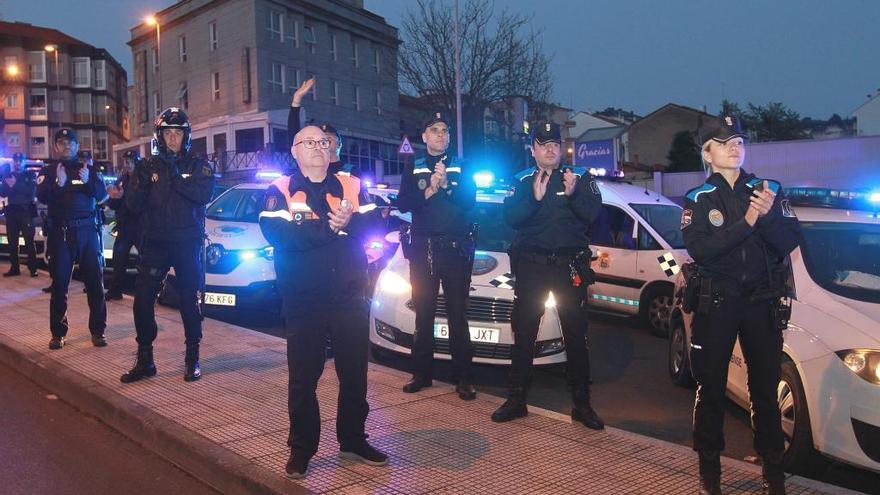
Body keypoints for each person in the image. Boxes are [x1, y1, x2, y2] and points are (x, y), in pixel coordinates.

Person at [259, 125, 388, 479]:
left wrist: (352, 221)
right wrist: (331, 228)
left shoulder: (351, 185)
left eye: (324, 142)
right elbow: (280, 235)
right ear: (295, 151)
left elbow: (376, 220)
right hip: (304, 299)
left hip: (348, 295)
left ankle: (353, 440)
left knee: (354, 375)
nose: (319, 147)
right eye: (310, 143)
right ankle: (302, 449)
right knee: (304, 378)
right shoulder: (280, 189)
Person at [682, 115, 800, 495]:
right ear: (708, 152)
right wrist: (748, 221)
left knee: (765, 388)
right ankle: (710, 472)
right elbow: (701, 250)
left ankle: (773, 471)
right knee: (711, 387)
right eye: (723, 141)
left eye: (738, 140)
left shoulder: (767, 189)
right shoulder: (698, 199)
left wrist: (764, 218)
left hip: (760, 302)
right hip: (717, 302)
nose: (734, 147)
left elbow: (788, 242)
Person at [492, 122, 604, 431]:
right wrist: (534, 198)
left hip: (569, 268)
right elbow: (510, 218)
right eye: (543, 144)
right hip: (533, 267)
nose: (550, 149)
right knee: (524, 334)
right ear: (533, 150)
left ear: (562, 147)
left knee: (576, 338)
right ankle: (516, 400)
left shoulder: (579, 178)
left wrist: (572, 195)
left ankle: (582, 405)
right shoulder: (522, 180)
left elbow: (594, 216)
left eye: (554, 143)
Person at [120, 108, 214, 383]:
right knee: (142, 301)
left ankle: (192, 358)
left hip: (186, 243)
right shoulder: (147, 166)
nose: (173, 139)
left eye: (178, 133)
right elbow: (133, 205)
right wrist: (141, 183)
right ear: (160, 136)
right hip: (156, 243)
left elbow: (203, 194)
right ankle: (146, 359)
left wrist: (173, 175)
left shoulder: (198, 164)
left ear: (186, 136)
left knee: (189, 302)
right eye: (168, 134)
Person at [395, 111, 477, 400]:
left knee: (458, 315)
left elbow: (470, 201)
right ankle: (421, 375)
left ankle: (463, 380)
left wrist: (447, 186)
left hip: (455, 250)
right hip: (423, 250)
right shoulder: (413, 165)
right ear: (424, 136)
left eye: (445, 130)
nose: (441, 134)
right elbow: (403, 202)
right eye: (435, 129)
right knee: (424, 315)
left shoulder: (461, 165)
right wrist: (429, 190)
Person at [35, 129, 108, 350]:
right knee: (60, 286)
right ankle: (58, 334)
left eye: (71, 143)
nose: (67, 146)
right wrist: (58, 183)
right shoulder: (48, 171)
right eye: (62, 143)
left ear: (77, 146)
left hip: (87, 232)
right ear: (56, 146)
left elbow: (102, 195)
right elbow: (41, 196)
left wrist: (88, 183)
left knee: (95, 284)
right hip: (62, 234)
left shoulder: (88, 169)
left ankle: (98, 331)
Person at [287, 77, 360, 177]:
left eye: (328, 139)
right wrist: (296, 100)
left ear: (339, 144)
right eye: (320, 140)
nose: (323, 143)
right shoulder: (310, 168)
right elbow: (295, 137)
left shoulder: (350, 171)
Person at [104, 150, 143, 300]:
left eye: (129, 161)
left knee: (146, 260)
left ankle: (146, 291)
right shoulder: (122, 179)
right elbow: (114, 204)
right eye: (125, 161)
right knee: (119, 258)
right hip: (125, 225)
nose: (126, 165)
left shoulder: (143, 178)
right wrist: (114, 198)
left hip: (140, 226)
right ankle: (116, 289)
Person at [0, 152, 39, 277]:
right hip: (12, 212)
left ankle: (33, 269)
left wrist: (15, 185)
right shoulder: (9, 175)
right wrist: (5, 182)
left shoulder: (30, 174)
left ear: (23, 162)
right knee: (12, 242)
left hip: (25, 212)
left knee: (29, 241)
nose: (17, 163)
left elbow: (31, 192)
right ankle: (14, 268)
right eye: (15, 161)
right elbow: (4, 193)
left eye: (20, 161)